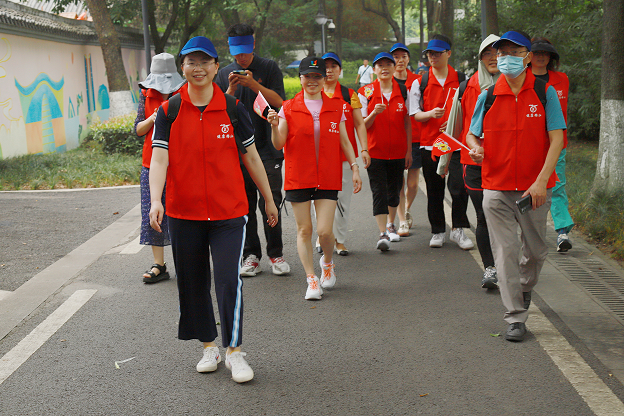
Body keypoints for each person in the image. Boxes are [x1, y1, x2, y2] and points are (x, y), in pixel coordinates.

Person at [149, 36, 279, 382]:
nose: (198, 68)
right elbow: (159, 157)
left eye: (205, 62)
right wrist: (157, 198)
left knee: (227, 279)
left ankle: (235, 351)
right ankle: (209, 346)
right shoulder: (169, 111)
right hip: (183, 212)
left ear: (216, 67)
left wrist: (267, 197)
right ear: (183, 68)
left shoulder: (234, 109)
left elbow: (251, 156)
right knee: (192, 281)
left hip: (228, 213)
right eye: (191, 62)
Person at [466, 31, 566, 342]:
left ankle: (523, 289)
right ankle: (515, 316)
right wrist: (475, 148)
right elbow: (472, 134)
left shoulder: (543, 91)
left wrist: (540, 182)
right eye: (501, 51)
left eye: (514, 50)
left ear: (526, 55)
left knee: (535, 252)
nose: (506, 56)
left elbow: (558, 139)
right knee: (505, 251)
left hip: (534, 190)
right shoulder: (488, 95)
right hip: (495, 187)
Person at [267, 57, 362, 300]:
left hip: (328, 177)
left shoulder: (336, 106)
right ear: (300, 79)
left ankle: (327, 263)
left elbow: (344, 140)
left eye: (317, 76)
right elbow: (279, 144)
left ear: (324, 79)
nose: (312, 81)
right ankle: (311, 279)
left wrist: (355, 167)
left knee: (325, 231)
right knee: (304, 230)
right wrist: (274, 125)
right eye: (307, 76)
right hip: (299, 176)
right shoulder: (288, 107)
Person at [215, 23, 290, 277]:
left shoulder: (268, 68)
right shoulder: (224, 73)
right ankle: (251, 255)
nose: (241, 58)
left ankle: (276, 253)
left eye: (245, 52)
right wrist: (231, 91)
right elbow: (217, 112)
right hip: (238, 151)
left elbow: (281, 103)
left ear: (253, 45)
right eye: (236, 53)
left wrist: (255, 85)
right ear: (230, 49)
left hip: (268, 148)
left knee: (271, 201)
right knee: (244, 203)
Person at [439, 34, 501, 289]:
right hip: (473, 163)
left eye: (498, 53)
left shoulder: (516, 85)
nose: (493, 58)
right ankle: (490, 268)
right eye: (488, 53)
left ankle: (508, 262)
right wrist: (444, 164)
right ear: (480, 58)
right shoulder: (467, 87)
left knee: (505, 217)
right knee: (483, 215)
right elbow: (453, 128)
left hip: (506, 163)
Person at [411, 34, 474, 250]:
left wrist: (452, 125)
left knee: (459, 186)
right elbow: (415, 114)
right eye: (430, 53)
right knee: (434, 188)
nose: (433, 57)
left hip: (456, 142)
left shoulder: (462, 79)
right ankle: (438, 230)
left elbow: (470, 111)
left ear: (448, 53)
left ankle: (458, 229)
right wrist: (430, 114)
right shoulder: (420, 82)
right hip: (430, 143)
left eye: (438, 53)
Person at [134, 52, 185, 284]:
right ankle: (159, 265)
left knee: (184, 212)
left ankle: (188, 261)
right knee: (153, 213)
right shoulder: (146, 95)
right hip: (151, 163)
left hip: (181, 162)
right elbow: (138, 129)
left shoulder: (184, 93)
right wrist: (154, 118)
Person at [358, 52, 412, 251]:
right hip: (375, 151)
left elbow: (407, 122)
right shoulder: (366, 92)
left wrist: (408, 151)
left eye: (388, 64)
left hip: (398, 152)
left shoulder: (402, 91)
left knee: (394, 190)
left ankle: (391, 224)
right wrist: (374, 112)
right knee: (378, 191)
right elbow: (361, 124)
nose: (385, 68)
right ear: (374, 70)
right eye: (380, 65)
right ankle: (382, 233)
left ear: (394, 67)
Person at [319, 52, 370, 256]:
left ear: (340, 70)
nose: (329, 70)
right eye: (326, 67)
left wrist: (364, 149)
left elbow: (359, 124)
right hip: (318, 158)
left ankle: (339, 241)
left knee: (342, 201)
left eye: (334, 66)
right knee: (320, 200)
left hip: (344, 159)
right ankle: (323, 237)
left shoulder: (350, 95)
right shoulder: (314, 93)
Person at [530, 37, 574, 252]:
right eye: (537, 53)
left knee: (557, 186)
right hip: (529, 145)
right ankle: (527, 231)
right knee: (526, 187)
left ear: (551, 58)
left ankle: (562, 232)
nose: (541, 57)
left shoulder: (562, 79)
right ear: (528, 56)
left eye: (545, 54)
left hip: (557, 144)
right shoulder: (521, 78)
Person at [390, 42, 422, 237]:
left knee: (413, 183)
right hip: (394, 137)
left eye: (403, 56)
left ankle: (407, 208)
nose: (399, 60)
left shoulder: (418, 80)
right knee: (398, 182)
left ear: (408, 59)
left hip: (416, 136)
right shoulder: (386, 82)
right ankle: (402, 220)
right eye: (395, 57)